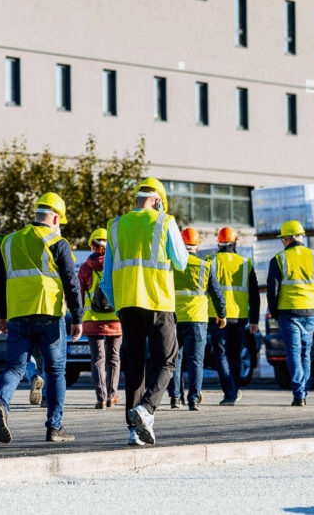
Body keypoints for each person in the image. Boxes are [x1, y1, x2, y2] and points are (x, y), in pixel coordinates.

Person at [100, 177, 188, 446]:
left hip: (128, 306)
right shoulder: (164, 221)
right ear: (159, 201)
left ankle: (134, 430)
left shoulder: (115, 226)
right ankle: (147, 409)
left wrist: (121, 305)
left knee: (135, 366)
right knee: (167, 361)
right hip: (158, 303)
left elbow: (106, 280)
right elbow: (182, 262)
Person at [0, 192, 84, 443]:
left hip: (18, 314)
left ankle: (1, 404)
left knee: (15, 367)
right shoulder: (57, 242)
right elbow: (71, 282)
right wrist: (77, 316)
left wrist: (0, 313)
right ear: (55, 218)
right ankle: (55, 428)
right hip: (48, 315)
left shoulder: (9, 241)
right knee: (55, 371)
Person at [266, 220, 314, 406]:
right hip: (310, 311)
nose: (282, 243)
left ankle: (299, 393)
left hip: (288, 311)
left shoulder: (279, 259)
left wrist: (274, 311)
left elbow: (273, 290)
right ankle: (303, 390)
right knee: (305, 352)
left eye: (283, 240)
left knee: (294, 352)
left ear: (288, 238)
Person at [168, 227, 226, 411]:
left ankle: (175, 398)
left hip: (174, 317)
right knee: (196, 360)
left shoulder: (172, 265)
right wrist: (222, 314)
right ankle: (193, 399)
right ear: (198, 245)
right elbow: (217, 293)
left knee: (175, 360)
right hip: (198, 319)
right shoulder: (204, 266)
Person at [207, 227, 260, 406]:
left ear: (219, 243)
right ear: (235, 243)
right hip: (239, 316)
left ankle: (229, 392)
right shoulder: (246, 263)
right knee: (235, 354)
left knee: (220, 354)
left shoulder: (210, 261)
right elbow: (254, 294)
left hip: (216, 316)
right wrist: (254, 320)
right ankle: (235, 390)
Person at [78, 228, 122, 409]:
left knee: (97, 358)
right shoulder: (117, 265)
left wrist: (77, 317)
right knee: (114, 358)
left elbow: (78, 293)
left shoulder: (85, 267)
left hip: (92, 319)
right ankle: (112, 395)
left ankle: (101, 398)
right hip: (115, 318)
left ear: (92, 245)